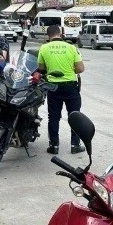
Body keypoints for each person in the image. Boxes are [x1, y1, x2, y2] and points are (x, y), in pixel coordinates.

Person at [37, 25, 86, 155]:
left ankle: (54, 146)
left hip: (53, 88)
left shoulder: (44, 48)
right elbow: (80, 69)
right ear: (61, 33)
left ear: (48, 35)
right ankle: (75, 145)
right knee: (74, 116)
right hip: (71, 87)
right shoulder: (71, 47)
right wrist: (69, 70)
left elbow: (41, 68)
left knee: (53, 117)